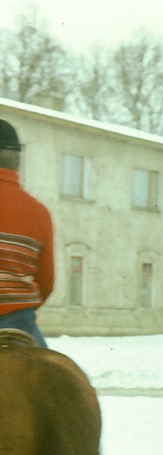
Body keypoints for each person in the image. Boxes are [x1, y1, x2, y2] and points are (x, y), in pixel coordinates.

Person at [0, 118, 54, 348]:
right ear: (17, 161)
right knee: (54, 379)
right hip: (20, 324)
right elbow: (47, 282)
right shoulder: (39, 212)